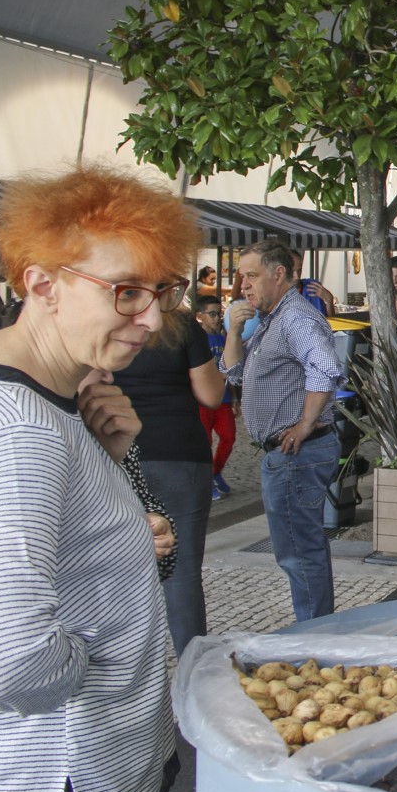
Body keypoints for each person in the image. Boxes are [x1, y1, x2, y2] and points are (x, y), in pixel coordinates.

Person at [0, 164, 185, 792]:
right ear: (42, 285)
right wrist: (98, 664)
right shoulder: (22, 433)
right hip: (47, 787)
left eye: (162, 289)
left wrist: (112, 477)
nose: (152, 316)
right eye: (126, 291)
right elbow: (1, 659)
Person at [222, 240, 344, 622]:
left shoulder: (295, 317)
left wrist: (305, 423)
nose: (244, 284)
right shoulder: (272, 318)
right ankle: (315, 627)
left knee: (299, 551)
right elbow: (234, 373)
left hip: (296, 453)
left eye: (252, 275)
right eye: (242, 276)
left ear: (278, 274)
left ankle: (313, 633)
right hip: (287, 455)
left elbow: (326, 366)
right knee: (297, 549)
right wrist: (233, 332)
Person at [117, 302, 227, 657]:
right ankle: (192, 668)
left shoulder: (108, 318)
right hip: (179, 453)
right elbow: (211, 395)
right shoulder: (180, 324)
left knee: (120, 570)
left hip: (117, 452)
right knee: (181, 574)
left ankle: (129, 667)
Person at [194, 295, 236, 499]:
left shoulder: (223, 340)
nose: (217, 318)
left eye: (219, 314)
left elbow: (231, 368)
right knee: (205, 442)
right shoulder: (195, 340)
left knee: (229, 436)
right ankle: (205, 481)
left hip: (224, 398)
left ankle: (215, 472)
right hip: (202, 400)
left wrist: (235, 398)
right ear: (199, 316)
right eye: (212, 314)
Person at [290, 249, 335, 318]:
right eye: (292, 271)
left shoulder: (313, 288)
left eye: (299, 270)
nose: (297, 276)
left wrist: (329, 301)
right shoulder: (276, 296)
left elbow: (329, 322)